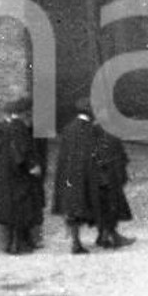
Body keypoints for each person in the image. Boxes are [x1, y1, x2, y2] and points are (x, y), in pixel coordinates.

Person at [0, 95, 45, 254]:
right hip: (18, 174)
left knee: (9, 209)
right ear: (22, 113)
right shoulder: (19, 128)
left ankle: (11, 244)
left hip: (3, 173)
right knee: (22, 208)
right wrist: (32, 166)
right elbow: (23, 150)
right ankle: (19, 244)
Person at [51, 97, 101, 254]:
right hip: (84, 175)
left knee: (73, 209)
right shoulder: (90, 129)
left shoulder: (68, 128)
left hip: (69, 175)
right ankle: (103, 236)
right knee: (90, 204)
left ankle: (76, 241)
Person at [93, 126, 135, 249]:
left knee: (105, 207)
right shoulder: (111, 136)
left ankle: (105, 235)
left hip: (98, 177)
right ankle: (109, 237)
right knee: (111, 206)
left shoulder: (94, 133)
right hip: (109, 177)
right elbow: (120, 157)